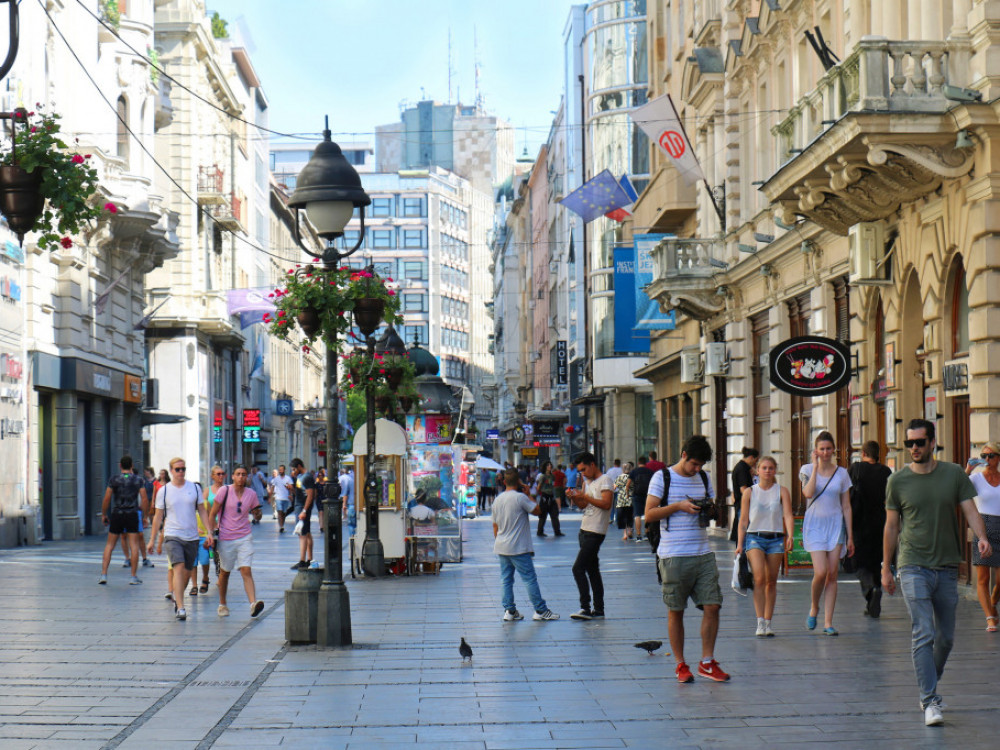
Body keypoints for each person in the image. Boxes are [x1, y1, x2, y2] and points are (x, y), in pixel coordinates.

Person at [883, 419, 992, 726]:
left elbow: (970, 509)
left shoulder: (954, 474)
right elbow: (891, 526)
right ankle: (930, 699)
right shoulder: (898, 481)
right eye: (909, 443)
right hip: (912, 564)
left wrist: (982, 537)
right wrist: (886, 568)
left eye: (919, 442)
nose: (914, 448)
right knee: (923, 631)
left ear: (932, 443)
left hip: (947, 566)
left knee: (945, 638)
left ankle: (930, 677)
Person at [645, 435, 729, 684]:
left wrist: (710, 509)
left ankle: (707, 661)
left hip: (702, 552)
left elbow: (711, 506)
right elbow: (649, 514)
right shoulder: (663, 477)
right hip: (673, 555)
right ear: (683, 455)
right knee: (676, 611)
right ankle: (681, 664)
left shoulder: (703, 478)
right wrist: (678, 506)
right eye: (694, 464)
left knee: (713, 605)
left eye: (700, 465)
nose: (697, 469)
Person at [800, 430, 854, 635]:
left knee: (832, 574)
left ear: (834, 450)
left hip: (835, 526)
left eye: (828, 449)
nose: (825, 452)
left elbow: (846, 506)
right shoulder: (806, 469)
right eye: (822, 449)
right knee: (820, 572)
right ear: (816, 451)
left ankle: (828, 622)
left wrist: (850, 535)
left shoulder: (842, 473)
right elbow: (808, 492)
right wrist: (815, 468)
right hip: (815, 526)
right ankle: (814, 606)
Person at [147, 457, 211, 620]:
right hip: (172, 535)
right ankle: (181, 608)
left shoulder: (194, 488)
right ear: (171, 471)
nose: (181, 472)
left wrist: (209, 531)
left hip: (192, 536)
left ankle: (178, 598)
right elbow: (158, 516)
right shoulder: (165, 491)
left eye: (183, 469)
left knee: (187, 573)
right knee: (179, 567)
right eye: (177, 469)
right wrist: (152, 539)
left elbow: (202, 511)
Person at [736, 456, 793, 636]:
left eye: (771, 468)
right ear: (757, 471)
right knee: (759, 578)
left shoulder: (782, 491)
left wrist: (791, 535)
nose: (768, 471)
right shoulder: (750, 492)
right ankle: (760, 621)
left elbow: (788, 515)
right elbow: (743, 519)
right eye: (764, 468)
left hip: (776, 538)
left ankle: (768, 622)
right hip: (755, 538)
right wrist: (739, 543)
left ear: (775, 470)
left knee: (771, 580)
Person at [493, 467, 559, 622]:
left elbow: (495, 526)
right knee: (529, 578)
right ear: (518, 482)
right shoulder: (520, 498)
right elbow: (537, 511)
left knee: (506, 579)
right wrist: (529, 494)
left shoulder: (498, 499)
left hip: (502, 546)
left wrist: (499, 540)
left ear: (503, 482)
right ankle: (540, 610)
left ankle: (509, 611)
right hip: (519, 547)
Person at [208, 465, 264, 618]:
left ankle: (253, 604)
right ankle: (222, 603)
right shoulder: (224, 491)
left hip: (245, 536)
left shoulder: (251, 494)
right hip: (226, 537)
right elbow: (212, 514)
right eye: (238, 474)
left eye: (244, 474)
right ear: (232, 476)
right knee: (225, 572)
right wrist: (210, 533)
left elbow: (256, 515)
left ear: (247, 477)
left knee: (246, 570)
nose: (241, 477)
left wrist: (258, 514)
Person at [566, 452, 613, 620]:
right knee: (592, 570)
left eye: (584, 469)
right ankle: (599, 609)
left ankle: (585, 607)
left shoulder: (605, 480)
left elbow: (607, 504)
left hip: (596, 531)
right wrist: (575, 498)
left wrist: (584, 496)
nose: (582, 473)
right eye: (580, 471)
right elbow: (584, 506)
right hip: (585, 528)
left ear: (592, 464)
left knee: (578, 568)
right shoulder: (588, 482)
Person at [849, 441, 893, 618]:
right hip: (881, 522)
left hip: (859, 522)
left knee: (859, 563)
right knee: (876, 562)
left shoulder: (856, 468)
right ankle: (873, 600)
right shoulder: (886, 472)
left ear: (863, 453)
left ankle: (871, 590)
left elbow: (847, 494)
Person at [966, 441, 1000, 631]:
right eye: (984, 456)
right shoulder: (976, 479)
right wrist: (968, 469)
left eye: (991, 456)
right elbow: (958, 490)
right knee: (983, 578)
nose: (987, 460)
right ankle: (989, 617)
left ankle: (993, 602)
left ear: (998, 458)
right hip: (983, 526)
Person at [98, 455, 149, 585]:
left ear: (120, 466)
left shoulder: (114, 479)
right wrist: (145, 516)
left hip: (117, 513)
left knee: (110, 544)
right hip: (132, 513)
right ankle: (133, 576)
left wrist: (104, 514)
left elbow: (107, 498)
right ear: (131, 466)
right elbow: (144, 499)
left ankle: (104, 574)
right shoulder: (138, 480)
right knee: (134, 545)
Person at [191, 466, 225, 596]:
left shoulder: (228, 490)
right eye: (218, 474)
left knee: (219, 554)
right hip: (205, 529)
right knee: (207, 555)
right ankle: (197, 584)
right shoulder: (207, 491)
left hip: (222, 526)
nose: (221, 476)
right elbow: (202, 510)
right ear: (212, 476)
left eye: (223, 474)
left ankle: (219, 576)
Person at [289, 458, 316, 570]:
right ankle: (309, 559)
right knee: (307, 532)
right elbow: (301, 492)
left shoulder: (307, 477)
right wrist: (292, 490)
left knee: (302, 533)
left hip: (302, 507)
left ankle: (302, 560)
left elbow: (310, 495)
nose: (293, 471)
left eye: (294, 469)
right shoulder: (300, 477)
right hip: (300, 505)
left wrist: (304, 510)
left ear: (299, 466)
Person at [730, 447, 759, 541]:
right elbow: (744, 489)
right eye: (755, 460)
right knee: (745, 535)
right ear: (751, 457)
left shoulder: (742, 467)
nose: (755, 464)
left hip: (741, 504)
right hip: (744, 506)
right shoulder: (742, 468)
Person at [628, 456, 653, 543]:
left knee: (637, 515)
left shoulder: (634, 471)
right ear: (646, 463)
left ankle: (639, 535)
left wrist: (627, 494)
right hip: (647, 495)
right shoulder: (650, 471)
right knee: (647, 514)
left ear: (638, 463)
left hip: (637, 495)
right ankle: (646, 533)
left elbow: (628, 484)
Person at [534, 461, 562, 537]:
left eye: (550, 465)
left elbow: (553, 484)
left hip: (551, 496)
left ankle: (557, 531)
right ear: (545, 467)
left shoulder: (552, 476)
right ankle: (540, 531)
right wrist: (539, 495)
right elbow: (539, 487)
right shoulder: (542, 476)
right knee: (543, 515)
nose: (550, 466)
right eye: (548, 465)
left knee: (554, 514)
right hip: (545, 496)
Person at [269, 464, 294, 533]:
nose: (280, 471)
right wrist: (270, 497)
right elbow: (272, 488)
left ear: (284, 470)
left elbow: (291, 487)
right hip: (278, 497)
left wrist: (290, 495)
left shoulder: (288, 478)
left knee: (284, 513)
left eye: (281, 470)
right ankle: (281, 526)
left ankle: (282, 524)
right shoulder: (276, 479)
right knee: (279, 512)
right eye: (279, 470)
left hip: (285, 498)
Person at [614, 462, 635, 541]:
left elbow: (614, 487)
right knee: (629, 515)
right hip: (630, 498)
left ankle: (625, 534)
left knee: (623, 517)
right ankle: (630, 530)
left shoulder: (619, 477)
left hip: (621, 499)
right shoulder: (632, 477)